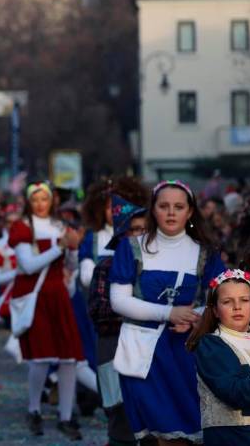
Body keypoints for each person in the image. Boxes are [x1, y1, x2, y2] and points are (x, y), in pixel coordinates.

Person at [110, 180, 224, 445]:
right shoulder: (131, 248)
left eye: (178, 206)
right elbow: (118, 301)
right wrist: (169, 313)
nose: (171, 212)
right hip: (141, 354)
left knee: (186, 436)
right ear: (153, 210)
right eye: (164, 206)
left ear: (190, 212)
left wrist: (194, 317)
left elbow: (217, 300)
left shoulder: (206, 254)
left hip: (186, 354)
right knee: (156, 436)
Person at [7, 182, 84, 440]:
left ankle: (65, 415)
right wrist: (60, 246)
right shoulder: (22, 228)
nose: (41, 203)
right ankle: (34, 409)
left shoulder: (60, 226)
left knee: (68, 358)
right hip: (37, 296)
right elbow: (28, 266)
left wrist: (72, 249)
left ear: (52, 201)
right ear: (29, 202)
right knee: (40, 357)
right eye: (36, 199)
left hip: (58, 296)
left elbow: (69, 265)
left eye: (45, 198)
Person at [83, 185, 149, 446]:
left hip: (148, 349)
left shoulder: (159, 266)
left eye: (143, 229)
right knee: (119, 415)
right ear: (121, 235)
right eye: (132, 230)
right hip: (113, 348)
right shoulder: (106, 267)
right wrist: (137, 311)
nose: (138, 235)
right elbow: (99, 312)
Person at [188, 268, 250, 445]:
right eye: (227, 301)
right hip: (232, 437)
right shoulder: (212, 345)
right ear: (215, 311)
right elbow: (235, 394)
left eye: (245, 300)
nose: (237, 306)